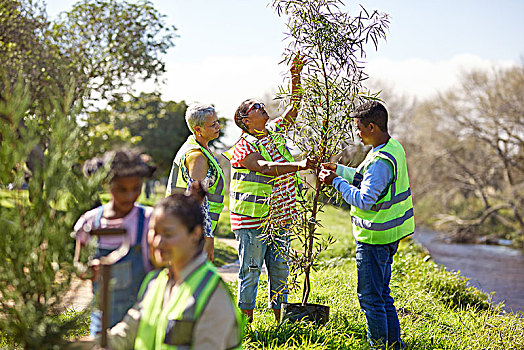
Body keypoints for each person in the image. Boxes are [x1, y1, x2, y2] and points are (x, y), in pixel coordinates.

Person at [89, 182, 243, 349]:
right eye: (154, 231)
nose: (158, 242)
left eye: (168, 234)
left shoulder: (212, 295)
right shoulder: (155, 282)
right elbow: (125, 335)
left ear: (195, 234)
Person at [224, 54, 315, 323]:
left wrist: (295, 75)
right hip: (252, 222)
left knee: (280, 271)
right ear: (245, 120)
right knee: (250, 272)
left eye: (261, 104)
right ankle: (247, 327)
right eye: (255, 107)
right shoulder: (242, 147)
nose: (263, 107)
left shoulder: (273, 132)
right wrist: (299, 165)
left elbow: (293, 110)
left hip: (279, 219)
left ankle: (280, 323)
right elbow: (264, 167)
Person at [318, 101, 414, 349]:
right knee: (382, 295)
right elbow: (364, 178)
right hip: (389, 234)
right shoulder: (391, 147)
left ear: (371, 126)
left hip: (375, 238)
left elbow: (365, 199)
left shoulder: (381, 160)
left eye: (359, 128)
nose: (357, 133)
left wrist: (335, 182)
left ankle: (379, 345)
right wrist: (338, 170)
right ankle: (394, 345)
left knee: (371, 298)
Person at [73, 149, 156, 336]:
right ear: (106, 183)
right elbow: (78, 264)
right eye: (122, 189)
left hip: (140, 318)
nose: (129, 196)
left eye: (136, 188)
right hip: (102, 318)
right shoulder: (90, 222)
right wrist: (87, 270)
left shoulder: (149, 220)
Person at [166, 103, 225, 261]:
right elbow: (197, 199)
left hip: (184, 226)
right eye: (212, 124)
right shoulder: (197, 156)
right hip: (189, 230)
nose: (218, 126)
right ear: (198, 129)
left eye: (217, 121)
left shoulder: (199, 148)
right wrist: (207, 236)